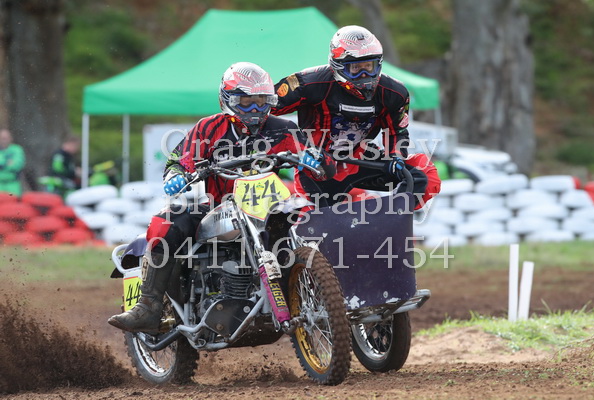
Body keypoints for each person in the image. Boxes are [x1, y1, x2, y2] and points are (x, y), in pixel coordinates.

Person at [108, 62, 335, 333]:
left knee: (313, 220)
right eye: (247, 102)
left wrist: (318, 160)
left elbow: (322, 163)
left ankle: (325, 294)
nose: (255, 109)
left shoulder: (284, 129)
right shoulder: (209, 128)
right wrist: (177, 175)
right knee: (165, 222)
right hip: (219, 206)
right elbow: (178, 160)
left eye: (262, 101)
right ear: (227, 100)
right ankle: (148, 306)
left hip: (271, 207)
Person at [271, 25, 440, 208]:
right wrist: (290, 149)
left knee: (423, 174)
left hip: (359, 158)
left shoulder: (394, 92)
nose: (364, 75)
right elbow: (264, 109)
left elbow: (396, 131)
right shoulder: (308, 83)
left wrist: (396, 157)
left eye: (369, 66)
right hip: (318, 164)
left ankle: (395, 214)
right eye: (356, 68)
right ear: (337, 66)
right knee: (316, 217)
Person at [0, 129, 26, 196]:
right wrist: (7, 162)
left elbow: (17, 165)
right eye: (2, 138)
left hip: (12, 185)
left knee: (13, 200)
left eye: (6, 138)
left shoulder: (17, 149)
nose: (4, 140)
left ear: (11, 138)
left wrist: (2, 165)